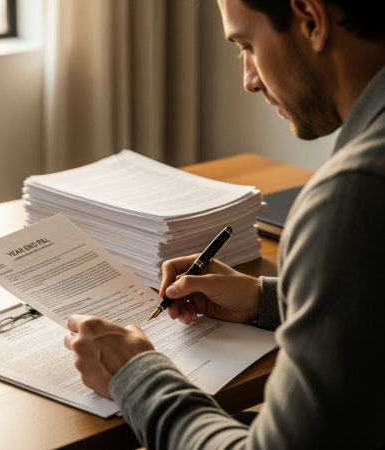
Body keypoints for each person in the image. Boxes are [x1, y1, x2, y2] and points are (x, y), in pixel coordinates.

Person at [64, 0, 385, 448]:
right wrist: (266, 300)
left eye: (247, 45)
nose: (249, 79)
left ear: (311, 19)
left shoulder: (352, 195)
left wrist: (135, 374)